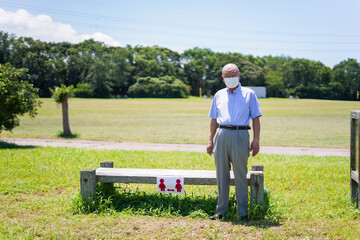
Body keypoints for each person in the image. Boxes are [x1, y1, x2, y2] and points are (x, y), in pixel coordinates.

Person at [206, 63, 262, 221]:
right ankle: (221, 210)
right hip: (222, 134)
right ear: (222, 78)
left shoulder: (249, 94)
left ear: (239, 75)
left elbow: (256, 118)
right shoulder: (218, 95)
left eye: (233, 75)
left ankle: (242, 212)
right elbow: (214, 119)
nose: (231, 78)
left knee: (240, 174)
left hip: (241, 133)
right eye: (227, 76)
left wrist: (256, 140)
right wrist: (210, 140)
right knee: (221, 174)